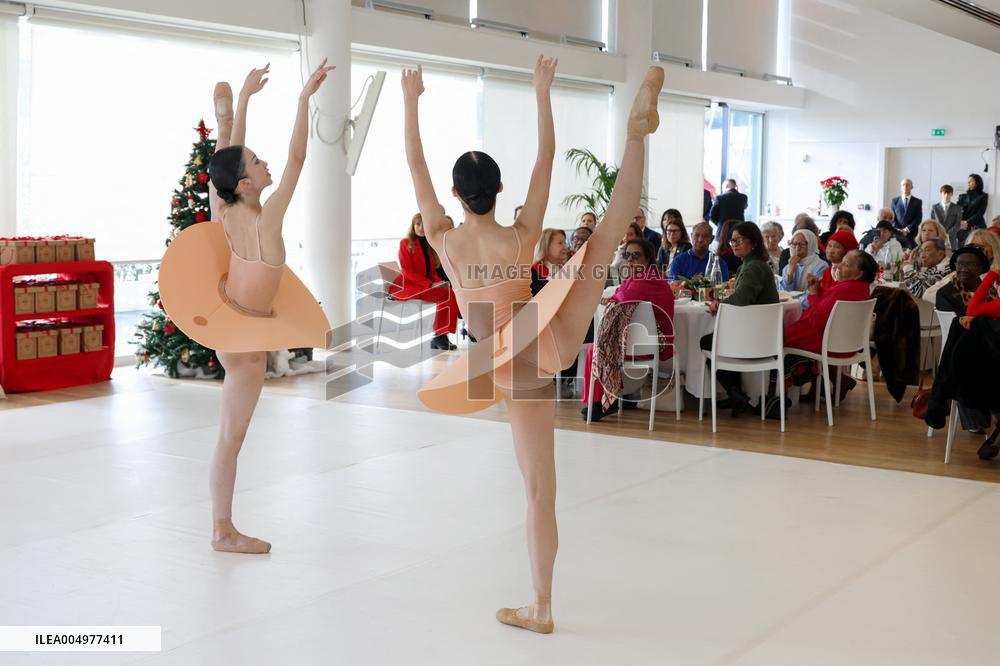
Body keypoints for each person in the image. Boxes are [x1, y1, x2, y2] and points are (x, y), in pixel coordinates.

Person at [403, 56, 665, 634]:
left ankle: (541, 607)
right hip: (548, 334)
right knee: (604, 237)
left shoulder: (445, 241)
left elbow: (415, 163)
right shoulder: (522, 236)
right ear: (500, 189)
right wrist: (542, 90)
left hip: (511, 363)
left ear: (454, 194)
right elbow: (547, 157)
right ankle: (634, 137)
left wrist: (410, 101)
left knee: (537, 491)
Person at [160, 61, 335, 554]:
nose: (265, 164)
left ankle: (223, 526)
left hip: (231, 324)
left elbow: (227, 160)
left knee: (229, 437)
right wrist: (302, 100)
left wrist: (243, 102)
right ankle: (222, 530)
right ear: (246, 184)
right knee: (230, 439)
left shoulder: (226, 209)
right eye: (256, 163)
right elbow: (298, 158)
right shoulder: (266, 220)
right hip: (246, 347)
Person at [580, 238, 674, 421]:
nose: (630, 259)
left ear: (647, 258)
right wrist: (614, 298)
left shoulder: (649, 279)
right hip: (638, 341)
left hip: (654, 343)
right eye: (626, 255)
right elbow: (621, 295)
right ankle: (604, 400)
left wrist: (612, 299)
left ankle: (602, 401)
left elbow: (626, 297)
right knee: (598, 346)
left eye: (635, 255)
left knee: (597, 348)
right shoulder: (638, 277)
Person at [778, 250, 877, 412]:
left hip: (827, 343)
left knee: (778, 338)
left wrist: (813, 295)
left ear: (859, 273)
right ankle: (820, 385)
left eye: (846, 264)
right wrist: (819, 291)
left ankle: (774, 394)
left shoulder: (843, 289)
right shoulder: (861, 288)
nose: (839, 266)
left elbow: (817, 320)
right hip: (848, 345)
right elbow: (830, 308)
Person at [699, 222, 779, 415]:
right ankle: (736, 395)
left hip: (756, 340)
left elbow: (741, 299)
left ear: (753, 242)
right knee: (716, 339)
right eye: (732, 241)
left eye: (739, 240)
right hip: (764, 336)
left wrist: (719, 304)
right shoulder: (752, 264)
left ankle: (735, 393)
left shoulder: (752, 267)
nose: (734, 244)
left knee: (707, 341)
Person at [926, 255, 1000, 458]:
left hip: (976, 365)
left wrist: (991, 276)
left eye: (970, 264)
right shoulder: (947, 292)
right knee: (973, 341)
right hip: (984, 362)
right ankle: (994, 422)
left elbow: (974, 309)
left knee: (969, 346)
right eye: (960, 264)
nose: (963, 268)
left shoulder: (992, 294)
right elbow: (974, 310)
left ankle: (992, 423)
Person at [390, 213, 459, 350]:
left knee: (450, 292)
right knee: (446, 295)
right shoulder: (405, 243)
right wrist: (430, 284)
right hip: (408, 286)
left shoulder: (428, 244)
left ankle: (441, 335)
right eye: (418, 224)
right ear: (413, 226)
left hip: (423, 286)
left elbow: (431, 271)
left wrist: (440, 282)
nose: (421, 228)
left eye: (424, 225)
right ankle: (439, 336)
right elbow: (407, 271)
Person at [779, 229, 829, 309]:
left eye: (802, 244)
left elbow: (812, 294)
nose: (797, 248)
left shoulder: (821, 266)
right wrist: (790, 273)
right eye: (794, 244)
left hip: (810, 309)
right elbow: (784, 294)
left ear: (810, 245)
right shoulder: (788, 266)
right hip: (789, 308)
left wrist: (793, 302)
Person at [530, 228, 567, 296]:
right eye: (560, 243)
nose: (565, 247)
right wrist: (552, 280)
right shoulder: (533, 271)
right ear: (546, 246)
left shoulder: (567, 267)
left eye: (565, 243)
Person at [957, 173, 989, 244]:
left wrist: (967, 222)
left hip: (977, 226)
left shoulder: (983, 196)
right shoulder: (962, 196)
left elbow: (980, 213)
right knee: (962, 248)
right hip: (963, 228)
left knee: (976, 247)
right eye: (968, 181)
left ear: (977, 183)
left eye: (971, 181)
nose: (968, 183)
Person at [890, 178, 922, 247]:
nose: (905, 187)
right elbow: (892, 218)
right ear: (901, 187)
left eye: (907, 185)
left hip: (912, 235)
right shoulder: (894, 201)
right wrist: (899, 230)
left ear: (912, 187)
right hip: (897, 235)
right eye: (903, 185)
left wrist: (907, 229)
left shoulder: (918, 202)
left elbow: (918, 218)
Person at [930, 184, 962, 250]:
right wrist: (940, 233)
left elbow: (958, 224)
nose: (946, 195)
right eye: (944, 193)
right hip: (938, 237)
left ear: (952, 194)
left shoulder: (957, 208)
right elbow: (932, 223)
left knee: (951, 255)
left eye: (949, 193)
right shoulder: (935, 207)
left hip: (951, 238)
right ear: (941, 194)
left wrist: (947, 234)